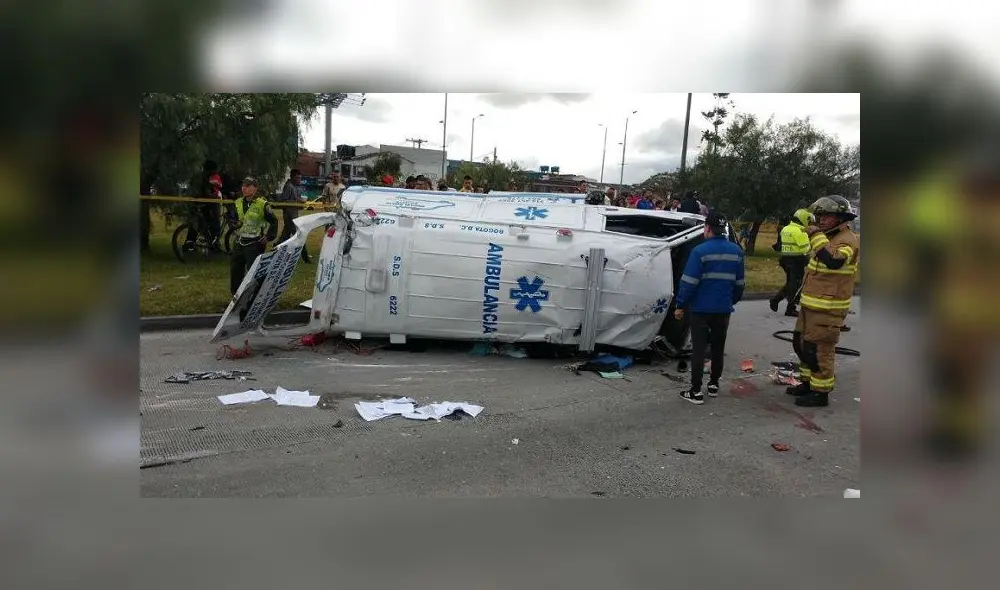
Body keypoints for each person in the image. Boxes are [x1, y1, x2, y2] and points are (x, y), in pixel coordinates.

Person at [786, 195, 860, 408]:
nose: (820, 219)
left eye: (825, 215)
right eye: (818, 215)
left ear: (840, 217)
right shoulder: (828, 236)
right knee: (801, 345)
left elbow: (833, 261)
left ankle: (820, 393)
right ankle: (808, 383)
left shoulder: (847, 239)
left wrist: (817, 236)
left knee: (819, 350)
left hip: (828, 309)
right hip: (811, 306)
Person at [672, 212, 746, 404]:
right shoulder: (737, 251)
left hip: (700, 310)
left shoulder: (700, 251)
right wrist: (731, 301)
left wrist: (680, 305)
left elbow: (689, 282)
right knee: (717, 348)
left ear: (707, 228)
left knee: (698, 350)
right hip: (723, 310)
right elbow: (740, 284)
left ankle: (696, 391)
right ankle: (713, 385)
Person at [228, 177, 278, 298]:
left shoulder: (262, 204)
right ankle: (236, 296)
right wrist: (234, 223)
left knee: (254, 272)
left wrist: (268, 236)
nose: (244, 188)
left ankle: (255, 297)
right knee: (235, 269)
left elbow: (274, 221)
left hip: (255, 243)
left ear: (255, 188)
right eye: (243, 185)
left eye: (248, 185)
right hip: (240, 241)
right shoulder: (238, 202)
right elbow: (234, 218)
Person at [769, 208, 814, 316]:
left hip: (786, 259)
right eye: (809, 220)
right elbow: (805, 248)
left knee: (791, 284)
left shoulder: (786, 228)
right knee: (796, 285)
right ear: (804, 219)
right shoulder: (800, 231)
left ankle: (777, 301)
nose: (809, 223)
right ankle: (789, 308)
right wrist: (812, 241)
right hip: (797, 261)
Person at [184, 160, 223, 251]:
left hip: (197, 203)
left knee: (198, 224)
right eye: (215, 170)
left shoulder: (201, 177)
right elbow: (206, 193)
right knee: (214, 223)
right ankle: (211, 244)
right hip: (204, 204)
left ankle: (191, 243)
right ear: (210, 170)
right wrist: (214, 198)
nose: (216, 172)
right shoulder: (204, 178)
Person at [277, 169, 310, 262]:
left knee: (285, 236)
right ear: (292, 177)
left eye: (300, 178)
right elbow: (283, 201)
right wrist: (298, 201)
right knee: (299, 235)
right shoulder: (289, 187)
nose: (299, 180)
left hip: (294, 215)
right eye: (298, 178)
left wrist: (300, 201)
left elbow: (295, 199)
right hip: (290, 216)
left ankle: (275, 250)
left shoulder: (295, 187)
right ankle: (305, 258)